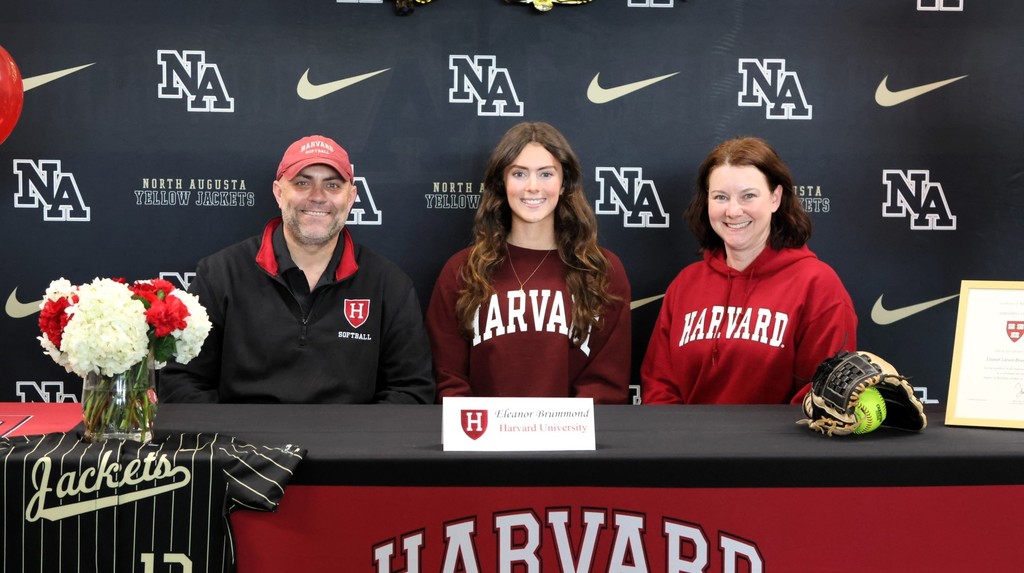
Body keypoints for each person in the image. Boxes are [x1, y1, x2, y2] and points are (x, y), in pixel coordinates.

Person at [159, 135, 435, 404]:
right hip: (243, 448)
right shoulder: (219, 274)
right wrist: (232, 444)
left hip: (350, 447)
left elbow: (411, 389)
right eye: (302, 183)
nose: (317, 197)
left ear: (351, 198)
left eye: (333, 186)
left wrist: (357, 442)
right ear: (279, 193)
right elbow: (182, 381)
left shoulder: (389, 284)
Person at [425, 122, 631, 403]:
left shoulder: (601, 270)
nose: (533, 187)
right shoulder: (462, 271)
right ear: (502, 183)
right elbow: (448, 378)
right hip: (482, 442)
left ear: (564, 182)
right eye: (519, 173)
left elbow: (606, 383)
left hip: (571, 442)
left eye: (546, 174)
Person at [641, 136, 856, 405]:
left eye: (748, 196)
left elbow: (819, 396)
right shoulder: (685, 284)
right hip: (690, 445)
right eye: (720, 197)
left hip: (779, 447)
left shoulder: (817, 284)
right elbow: (659, 386)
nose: (733, 210)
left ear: (775, 198)